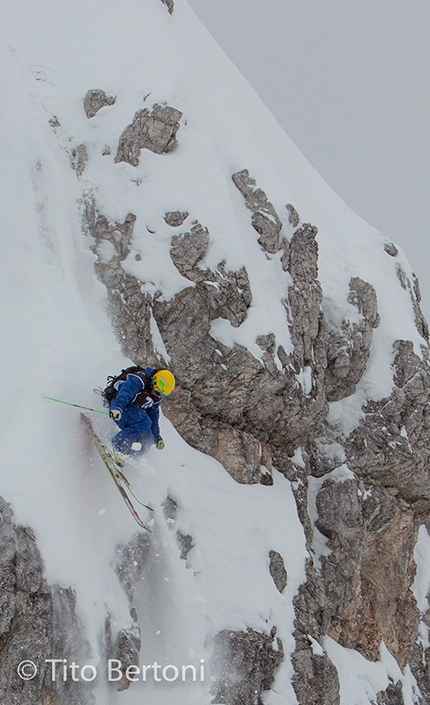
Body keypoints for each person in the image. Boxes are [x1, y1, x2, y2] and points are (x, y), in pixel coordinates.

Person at [109, 367, 175, 456]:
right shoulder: (139, 380)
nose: (157, 395)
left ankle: (128, 457)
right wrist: (117, 408)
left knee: (148, 438)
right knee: (144, 422)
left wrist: (157, 437)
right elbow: (125, 393)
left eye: (162, 395)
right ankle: (117, 450)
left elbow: (153, 417)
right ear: (153, 382)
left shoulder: (156, 398)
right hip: (119, 407)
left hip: (133, 412)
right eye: (157, 392)